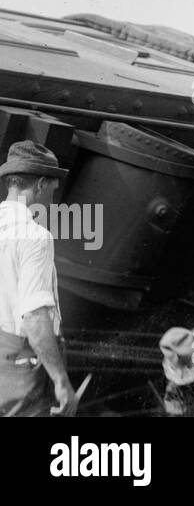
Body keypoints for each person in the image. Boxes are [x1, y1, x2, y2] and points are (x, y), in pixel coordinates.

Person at [0, 141, 78, 417]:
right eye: (54, 187)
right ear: (42, 184)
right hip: (18, 364)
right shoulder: (35, 237)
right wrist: (60, 380)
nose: (54, 195)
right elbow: (34, 317)